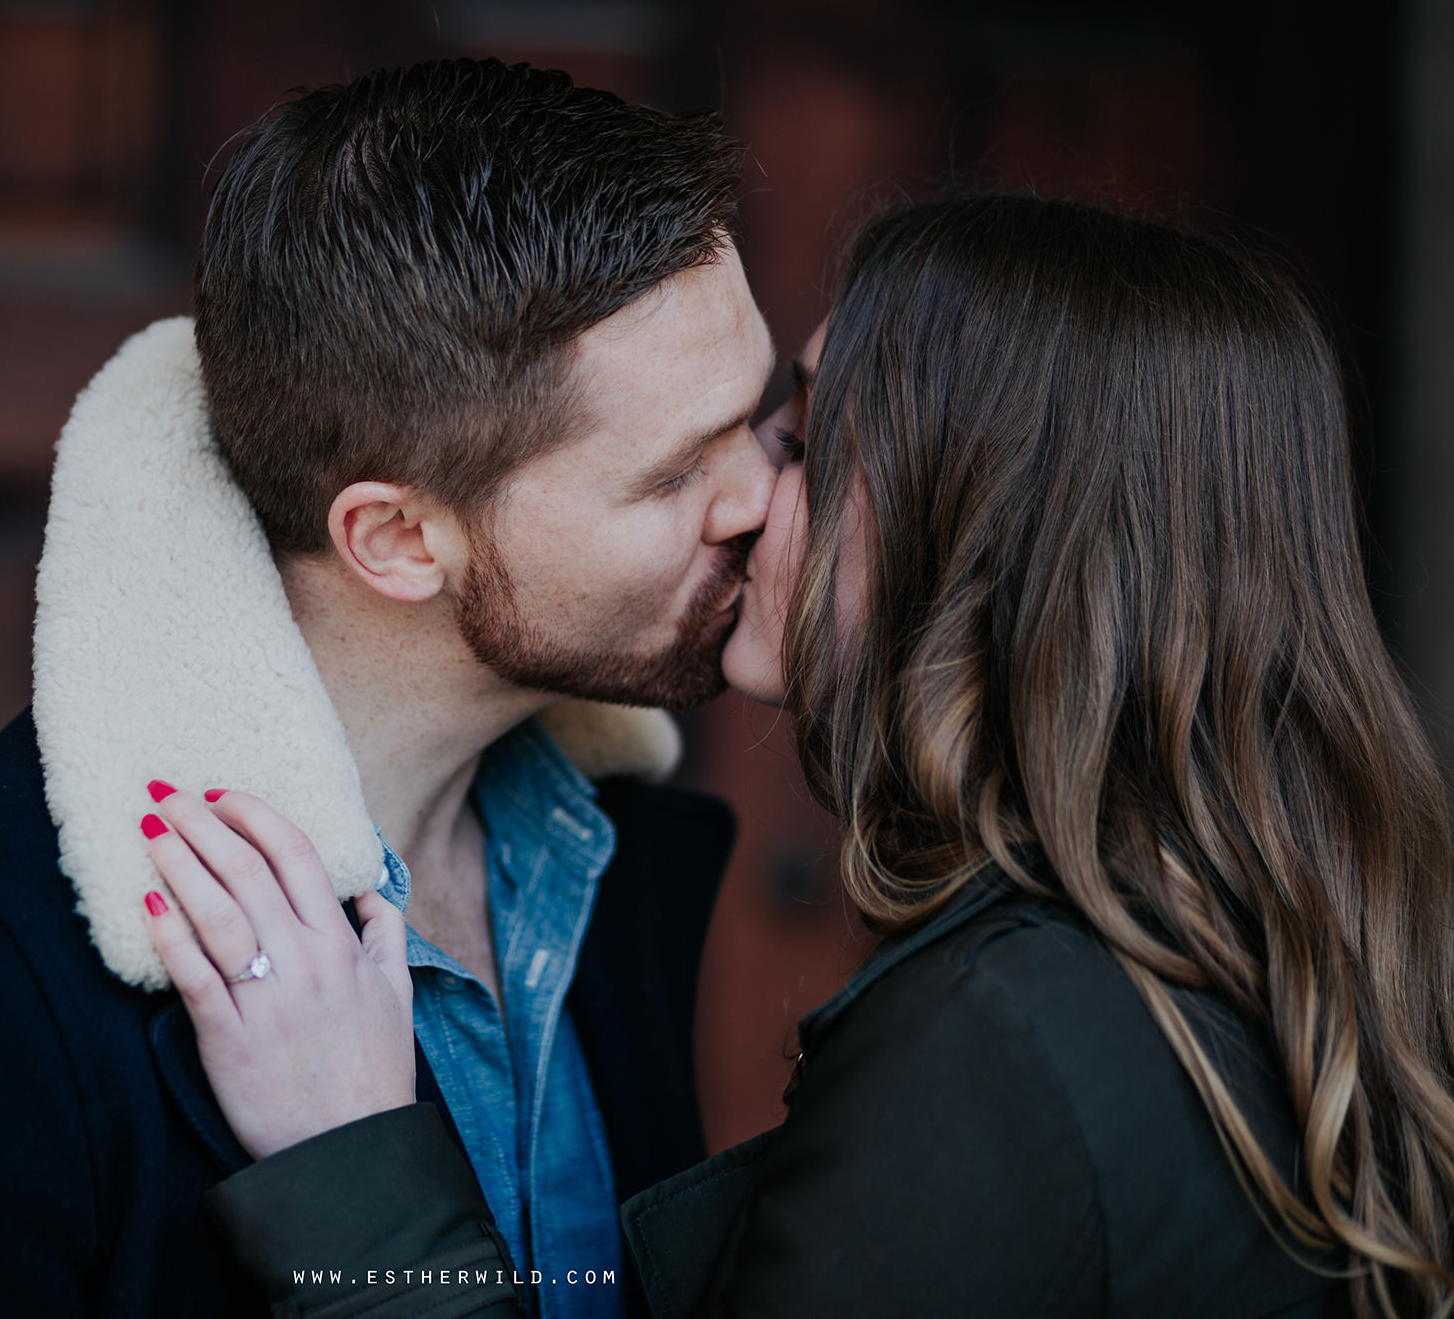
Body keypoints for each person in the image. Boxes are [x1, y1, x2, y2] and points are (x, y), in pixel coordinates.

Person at [141, 195, 1454, 1319]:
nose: (755, 496)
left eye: (810, 441)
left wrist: (356, 1166)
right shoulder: (1239, 961)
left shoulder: (998, 1051)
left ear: (984, 540)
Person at [0, 59, 778, 1319]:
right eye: (674, 474)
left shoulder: (614, 860)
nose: (759, 499)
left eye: (757, 418)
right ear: (399, 541)